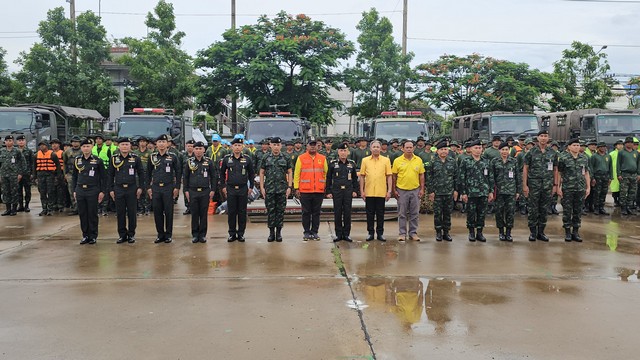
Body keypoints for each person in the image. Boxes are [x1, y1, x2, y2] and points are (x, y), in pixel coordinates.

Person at [107, 137, 146, 244]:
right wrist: (111, 189)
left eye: (126, 144)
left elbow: (141, 173)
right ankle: (122, 235)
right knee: (120, 213)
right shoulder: (114, 158)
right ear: (119, 146)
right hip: (118, 188)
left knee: (132, 212)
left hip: (131, 188)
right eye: (122, 144)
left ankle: (131, 234)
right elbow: (110, 175)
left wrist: (140, 187)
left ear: (130, 146)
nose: (124, 146)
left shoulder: (135, 158)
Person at [523, 130, 557, 241]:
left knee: (544, 209)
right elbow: (525, 169)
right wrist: (525, 185)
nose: (543, 138)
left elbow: (555, 169)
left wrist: (555, 185)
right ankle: (533, 232)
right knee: (533, 209)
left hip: (547, 185)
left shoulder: (552, 153)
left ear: (548, 138)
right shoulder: (531, 152)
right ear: (537, 138)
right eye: (541, 136)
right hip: (534, 185)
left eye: (545, 136)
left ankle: (541, 232)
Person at [147, 134, 182, 243]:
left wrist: (177, 187)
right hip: (156, 187)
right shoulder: (153, 157)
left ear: (167, 144)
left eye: (163, 142)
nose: (161, 144)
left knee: (168, 212)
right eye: (159, 142)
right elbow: (148, 173)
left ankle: (168, 235)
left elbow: (178, 172)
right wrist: (148, 187)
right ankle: (160, 234)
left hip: (168, 187)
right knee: (157, 211)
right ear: (156, 144)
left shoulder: (173, 156)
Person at [220, 138, 255, 242]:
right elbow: (221, 174)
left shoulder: (247, 159)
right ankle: (231, 233)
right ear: (232, 147)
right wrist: (223, 187)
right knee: (231, 212)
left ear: (242, 147)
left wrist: (251, 187)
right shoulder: (227, 159)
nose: (237, 147)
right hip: (230, 189)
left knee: (242, 212)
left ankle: (241, 233)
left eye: (239, 145)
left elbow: (252, 174)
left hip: (243, 189)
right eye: (235, 145)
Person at [72, 138, 106, 244]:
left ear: (92, 147)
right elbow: (74, 176)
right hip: (80, 189)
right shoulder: (77, 160)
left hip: (93, 189)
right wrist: (74, 190)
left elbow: (103, 177)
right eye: (84, 146)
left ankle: (93, 235)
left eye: (88, 146)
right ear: (81, 148)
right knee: (82, 213)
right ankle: (85, 235)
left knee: (92, 213)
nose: (86, 148)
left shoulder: (97, 160)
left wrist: (102, 191)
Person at [459, 139, 494, 242]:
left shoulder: (486, 162)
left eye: (480, 148)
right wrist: (463, 193)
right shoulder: (466, 161)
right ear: (471, 149)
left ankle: (480, 232)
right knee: (471, 213)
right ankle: (471, 232)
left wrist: (491, 191)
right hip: (470, 192)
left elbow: (490, 178)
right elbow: (462, 178)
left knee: (482, 213)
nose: (478, 150)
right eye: (476, 148)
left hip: (483, 192)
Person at [557, 138, 591, 242]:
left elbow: (586, 173)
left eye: (578, 145)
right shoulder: (563, 158)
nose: (576, 147)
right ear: (569, 147)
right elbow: (559, 173)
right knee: (567, 210)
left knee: (578, 210)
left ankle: (575, 232)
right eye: (574, 145)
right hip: (568, 188)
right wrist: (558, 187)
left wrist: (588, 187)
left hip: (580, 188)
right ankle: (567, 232)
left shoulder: (584, 158)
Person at [294, 139, 328, 241]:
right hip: (305, 190)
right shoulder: (301, 158)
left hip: (318, 190)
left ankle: (315, 232)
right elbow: (297, 174)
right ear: (307, 146)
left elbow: (326, 173)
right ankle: (306, 232)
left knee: (316, 212)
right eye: (311, 145)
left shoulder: (322, 158)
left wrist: (324, 185)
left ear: (317, 147)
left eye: (315, 145)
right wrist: (296, 188)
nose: (313, 147)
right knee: (306, 212)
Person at [260, 137, 293, 242]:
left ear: (281, 146)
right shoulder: (265, 157)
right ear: (270, 145)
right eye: (274, 145)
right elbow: (261, 172)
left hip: (282, 189)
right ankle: (271, 233)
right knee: (270, 211)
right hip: (269, 189)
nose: (276, 147)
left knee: (280, 211)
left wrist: (289, 187)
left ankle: (278, 233)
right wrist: (262, 187)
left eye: (278, 145)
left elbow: (290, 172)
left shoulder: (286, 157)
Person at [391, 140, 425, 242]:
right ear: (403, 148)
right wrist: (394, 190)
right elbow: (394, 176)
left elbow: (421, 175)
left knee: (414, 213)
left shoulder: (418, 160)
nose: (409, 149)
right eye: (407, 147)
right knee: (402, 213)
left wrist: (422, 189)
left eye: (411, 147)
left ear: (413, 148)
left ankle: (413, 233)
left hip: (415, 190)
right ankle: (402, 233)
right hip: (401, 190)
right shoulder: (397, 161)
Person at [359, 140, 393, 241]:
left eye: (378, 147)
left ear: (381, 148)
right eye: (374, 147)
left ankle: (380, 233)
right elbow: (362, 176)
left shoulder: (386, 160)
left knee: (380, 214)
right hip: (369, 192)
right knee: (369, 214)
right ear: (370, 148)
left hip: (381, 192)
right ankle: (370, 233)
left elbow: (389, 176)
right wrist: (362, 191)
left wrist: (389, 191)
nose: (376, 149)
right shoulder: (365, 160)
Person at [184, 141, 217, 243]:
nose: (198, 151)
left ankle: (202, 235)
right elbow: (185, 177)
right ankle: (195, 234)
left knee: (203, 214)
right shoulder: (189, 162)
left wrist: (213, 190)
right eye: (196, 149)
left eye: (200, 149)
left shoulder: (209, 161)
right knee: (194, 213)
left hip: (205, 191)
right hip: (193, 191)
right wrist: (186, 191)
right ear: (193, 150)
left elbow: (214, 177)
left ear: (204, 150)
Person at [326, 143, 358, 242]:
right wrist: (328, 191)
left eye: (345, 151)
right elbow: (328, 178)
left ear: (348, 152)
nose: (343, 153)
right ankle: (338, 234)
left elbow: (354, 179)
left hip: (348, 191)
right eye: (341, 151)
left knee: (347, 213)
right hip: (337, 191)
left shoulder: (352, 164)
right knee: (338, 213)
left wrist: (355, 190)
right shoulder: (332, 163)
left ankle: (347, 234)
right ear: (338, 152)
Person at [427, 141, 458, 242]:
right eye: (441, 149)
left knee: (448, 213)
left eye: (445, 149)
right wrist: (431, 191)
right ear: (437, 151)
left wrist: (456, 190)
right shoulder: (433, 162)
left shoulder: (452, 161)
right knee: (438, 213)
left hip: (449, 192)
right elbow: (429, 178)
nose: (444, 151)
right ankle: (438, 232)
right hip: (437, 193)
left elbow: (456, 177)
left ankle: (446, 232)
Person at [491, 142, 521, 241]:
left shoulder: (514, 161)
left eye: (506, 149)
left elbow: (517, 177)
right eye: (502, 150)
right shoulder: (494, 161)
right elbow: (492, 177)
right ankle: (500, 232)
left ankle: (508, 232)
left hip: (511, 191)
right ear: (499, 151)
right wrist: (491, 190)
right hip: (499, 192)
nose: (504, 152)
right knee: (499, 212)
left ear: (509, 150)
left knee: (510, 212)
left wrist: (518, 191)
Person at [0, 135, 26, 216]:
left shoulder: (17, 151)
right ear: (5, 142)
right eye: (7, 140)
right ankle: (8, 209)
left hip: (14, 175)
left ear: (13, 142)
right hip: (4, 175)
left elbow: (23, 162)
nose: (8, 142)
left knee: (14, 191)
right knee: (5, 192)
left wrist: (20, 173)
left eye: (10, 140)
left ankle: (14, 209)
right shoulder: (2, 151)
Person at [35, 140, 61, 216]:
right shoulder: (36, 155)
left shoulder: (52, 155)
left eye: (43, 145)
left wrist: (58, 176)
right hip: (40, 175)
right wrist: (34, 177)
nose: (42, 146)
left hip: (50, 175)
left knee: (50, 192)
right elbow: (34, 166)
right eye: (40, 145)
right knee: (42, 193)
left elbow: (58, 166)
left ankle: (50, 209)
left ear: (47, 146)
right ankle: (44, 209)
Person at [617, 136, 640, 215]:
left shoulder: (636, 153)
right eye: (628, 142)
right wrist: (618, 174)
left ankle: (629, 207)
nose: (630, 144)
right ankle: (623, 208)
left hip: (634, 175)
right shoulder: (621, 152)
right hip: (624, 174)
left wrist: (638, 174)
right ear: (625, 143)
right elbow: (618, 164)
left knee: (632, 192)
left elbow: (638, 164)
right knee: (623, 192)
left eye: (631, 143)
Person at [589, 142, 613, 215]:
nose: (603, 148)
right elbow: (591, 167)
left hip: (606, 176)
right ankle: (596, 208)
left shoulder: (608, 156)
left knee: (604, 192)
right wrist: (592, 178)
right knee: (597, 192)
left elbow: (610, 167)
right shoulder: (594, 156)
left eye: (604, 147)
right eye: (601, 147)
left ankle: (601, 207)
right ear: (598, 148)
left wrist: (610, 177)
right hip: (597, 176)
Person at [63, 136, 83, 215]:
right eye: (74, 142)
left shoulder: (82, 151)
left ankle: (81, 208)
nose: (75, 143)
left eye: (77, 141)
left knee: (81, 191)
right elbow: (64, 163)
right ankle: (75, 208)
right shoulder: (67, 152)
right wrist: (65, 174)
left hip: (80, 173)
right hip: (70, 174)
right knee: (71, 191)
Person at [134, 136, 153, 215]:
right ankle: (140, 208)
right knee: (139, 191)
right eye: (140, 141)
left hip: (147, 174)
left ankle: (147, 208)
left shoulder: (150, 153)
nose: (142, 143)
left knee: (147, 191)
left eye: (144, 141)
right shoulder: (135, 153)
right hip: (137, 175)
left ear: (146, 143)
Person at [15, 134, 34, 213]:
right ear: (17, 142)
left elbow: (32, 162)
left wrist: (32, 173)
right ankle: (21, 205)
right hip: (17, 174)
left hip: (27, 174)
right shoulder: (15, 151)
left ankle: (27, 205)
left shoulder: (29, 151)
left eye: (22, 140)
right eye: (19, 141)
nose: (21, 142)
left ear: (25, 142)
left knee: (27, 190)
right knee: (18, 190)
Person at [181, 139, 195, 215]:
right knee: (185, 192)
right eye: (189, 146)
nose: (190, 147)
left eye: (192, 146)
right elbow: (179, 167)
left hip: (194, 177)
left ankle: (193, 207)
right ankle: (188, 207)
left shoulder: (196, 155)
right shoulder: (182, 155)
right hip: (185, 176)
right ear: (186, 146)